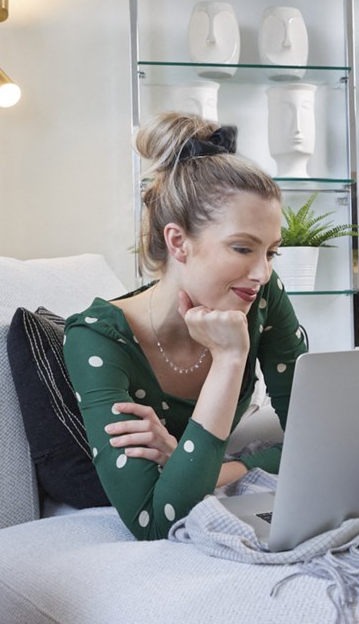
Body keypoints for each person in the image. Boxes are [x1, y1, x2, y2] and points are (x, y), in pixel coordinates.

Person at [63, 112, 307, 540]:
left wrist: (201, 464)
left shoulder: (262, 298)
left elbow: (319, 441)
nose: (262, 273)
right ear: (178, 242)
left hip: (206, 462)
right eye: (242, 248)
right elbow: (155, 521)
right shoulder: (97, 339)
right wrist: (230, 359)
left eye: (271, 252)